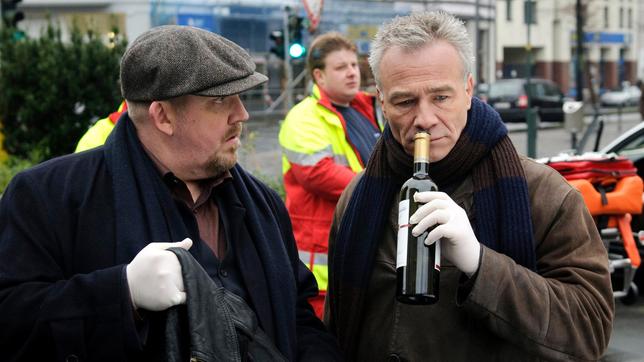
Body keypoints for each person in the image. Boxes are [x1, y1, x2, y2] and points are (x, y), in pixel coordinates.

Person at [0, 25, 340, 360]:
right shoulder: (48, 197)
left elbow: (298, 314)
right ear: (163, 116)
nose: (242, 114)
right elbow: (12, 322)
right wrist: (123, 292)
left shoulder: (262, 203)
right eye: (221, 101)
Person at [325, 11, 614, 361]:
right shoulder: (359, 197)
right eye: (404, 101)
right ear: (381, 103)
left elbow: (588, 331)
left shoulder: (545, 194)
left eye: (441, 98)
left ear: (468, 90)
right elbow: (336, 326)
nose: (425, 119)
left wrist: (480, 264)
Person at [278, 32, 384, 317]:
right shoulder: (304, 117)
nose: (351, 73)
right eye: (340, 67)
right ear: (319, 76)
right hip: (322, 267)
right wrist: (385, 186)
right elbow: (319, 174)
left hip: (362, 250)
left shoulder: (366, 109)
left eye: (353, 65)